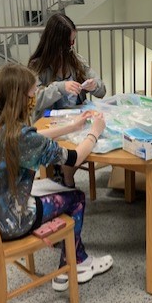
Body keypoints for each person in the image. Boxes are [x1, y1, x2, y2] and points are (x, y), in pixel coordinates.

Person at [0, 64, 113, 291]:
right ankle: (75, 263)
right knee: (76, 197)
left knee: (50, 188)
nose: (35, 99)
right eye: (33, 94)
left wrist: (72, 126)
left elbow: (30, 137)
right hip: (8, 222)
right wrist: (95, 131)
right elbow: (75, 158)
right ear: (20, 98)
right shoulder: (19, 137)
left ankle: (72, 254)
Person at [28, 13, 107, 187]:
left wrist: (94, 86)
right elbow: (35, 100)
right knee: (74, 146)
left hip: (77, 119)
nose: (72, 46)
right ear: (56, 42)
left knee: (100, 132)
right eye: (69, 42)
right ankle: (67, 181)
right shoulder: (37, 65)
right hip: (52, 124)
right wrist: (60, 87)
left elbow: (102, 89)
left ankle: (66, 176)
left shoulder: (76, 60)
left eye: (73, 41)